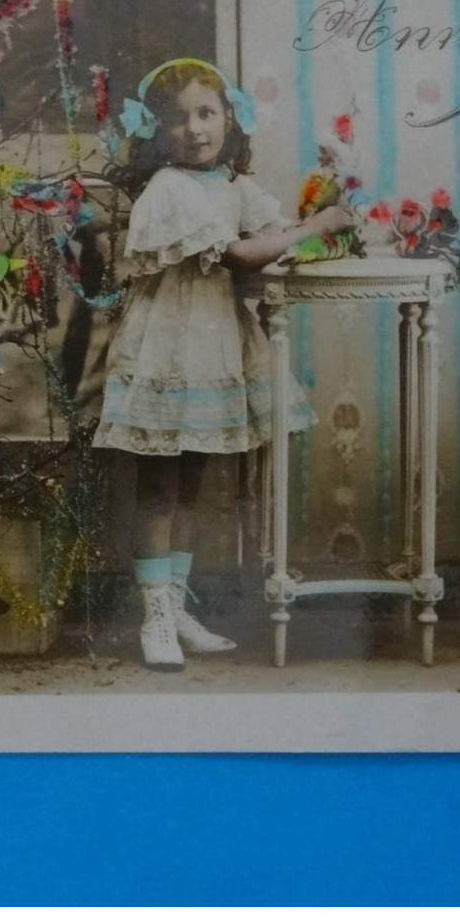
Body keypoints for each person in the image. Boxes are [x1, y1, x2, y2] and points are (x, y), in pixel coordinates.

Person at [93, 58, 355, 671]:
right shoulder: (170, 189)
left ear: (229, 118)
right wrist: (315, 225)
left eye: (206, 114)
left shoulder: (231, 184)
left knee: (191, 488)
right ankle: (152, 614)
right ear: (157, 132)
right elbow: (241, 255)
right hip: (171, 344)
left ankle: (177, 608)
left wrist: (326, 202)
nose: (193, 129)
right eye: (177, 119)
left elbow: (270, 230)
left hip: (215, 346)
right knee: (160, 489)